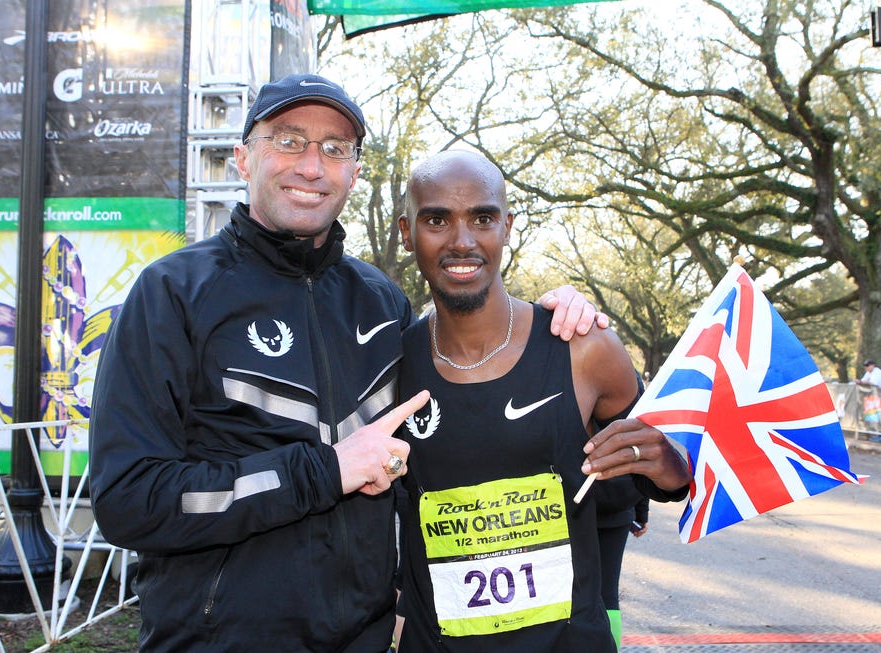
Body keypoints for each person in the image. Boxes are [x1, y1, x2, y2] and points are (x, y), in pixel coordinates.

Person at [88, 74, 605, 652]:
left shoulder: (380, 300)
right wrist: (323, 472)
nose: (312, 166)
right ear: (242, 157)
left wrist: (553, 320)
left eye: (335, 149)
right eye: (289, 141)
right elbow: (128, 501)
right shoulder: (171, 293)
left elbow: (450, 444)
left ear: (354, 173)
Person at [393, 149, 691, 652]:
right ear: (407, 232)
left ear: (507, 226)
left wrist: (667, 463)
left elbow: (671, 474)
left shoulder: (585, 348)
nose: (462, 241)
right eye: (437, 220)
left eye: (482, 218)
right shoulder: (389, 363)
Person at [595, 478, 649, 651]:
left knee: (574, 590)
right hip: (621, 505)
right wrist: (641, 514)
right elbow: (642, 466)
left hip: (578, 508)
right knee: (608, 594)